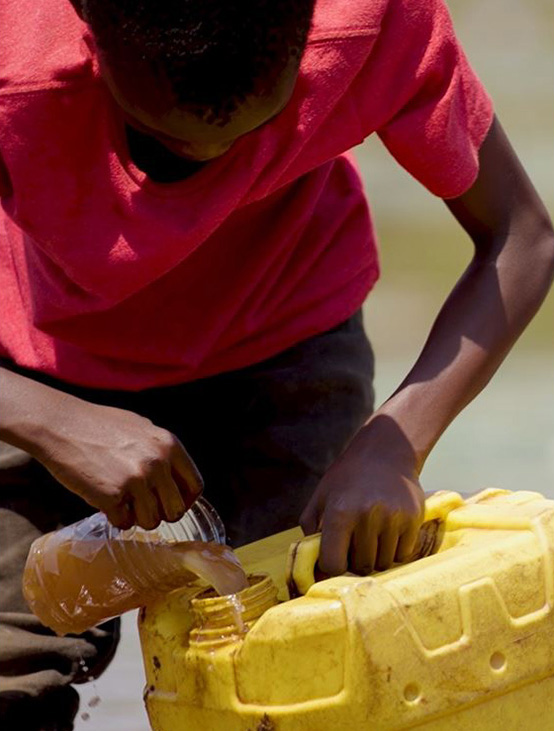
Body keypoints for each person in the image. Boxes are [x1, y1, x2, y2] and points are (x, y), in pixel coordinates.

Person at [0, 0, 552, 726]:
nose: (212, 166)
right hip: (41, 366)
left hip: (285, 355)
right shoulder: (15, 58)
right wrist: (48, 420)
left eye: (260, 129)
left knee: (296, 670)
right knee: (12, 674)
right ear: (88, 36)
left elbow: (522, 236)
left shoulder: (375, 20)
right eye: (160, 139)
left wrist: (394, 443)